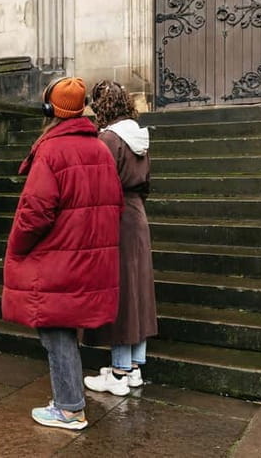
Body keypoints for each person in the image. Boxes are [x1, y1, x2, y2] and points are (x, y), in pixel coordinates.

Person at [2, 77, 123, 431]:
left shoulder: (52, 151)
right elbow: (115, 204)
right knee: (62, 329)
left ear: (49, 109)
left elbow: (35, 213)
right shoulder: (100, 148)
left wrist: (16, 246)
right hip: (85, 256)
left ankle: (69, 408)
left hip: (57, 257)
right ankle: (69, 403)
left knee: (56, 332)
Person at [82, 80, 157, 396]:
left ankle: (118, 372)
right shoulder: (138, 135)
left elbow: (99, 185)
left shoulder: (108, 139)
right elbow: (146, 183)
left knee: (122, 291)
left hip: (118, 216)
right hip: (137, 214)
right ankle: (134, 368)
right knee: (138, 290)